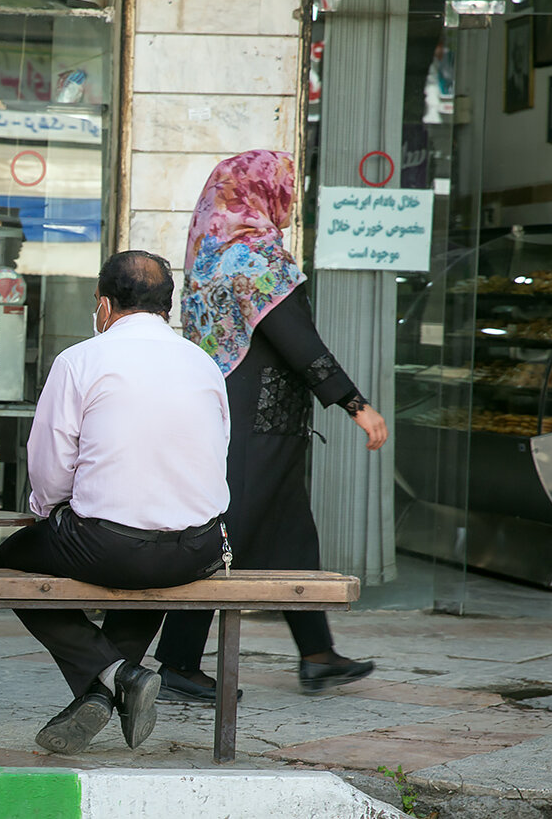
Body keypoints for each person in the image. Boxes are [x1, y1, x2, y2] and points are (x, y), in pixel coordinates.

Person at [157, 149, 388, 703]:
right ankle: (178, 663)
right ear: (262, 193)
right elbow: (298, 341)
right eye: (284, 187)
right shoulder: (255, 260)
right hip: (255, 427)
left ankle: (317, 655)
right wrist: (355, 404)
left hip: (244, 419)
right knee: (223, 537)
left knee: (290, 536)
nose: (288, 198)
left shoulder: (210, 256)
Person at [0, 251, 231, 755]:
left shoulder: (81, 360)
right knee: (146, 568)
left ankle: (115, 677)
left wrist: (53, 513)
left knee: (7, 564)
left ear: (103, 305)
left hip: (110, 547)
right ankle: (110, 686)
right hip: (197, 551)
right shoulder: (205, 363)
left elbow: (50, 467)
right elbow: (216, 452)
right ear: (170, 306)